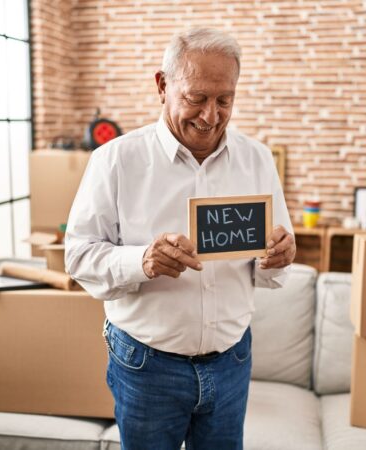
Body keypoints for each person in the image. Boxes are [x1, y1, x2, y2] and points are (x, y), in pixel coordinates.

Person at [66, 27, 296, 450]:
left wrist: (280, 255)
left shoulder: (258, 159)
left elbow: (271, 264)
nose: (211, 116)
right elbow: (78, 257)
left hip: (232, 361)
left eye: (224, 100)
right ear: (162, 85)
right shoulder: (115, 160)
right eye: (196, 98)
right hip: (146, 366)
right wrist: (142, 262)